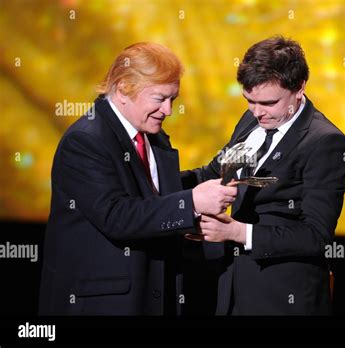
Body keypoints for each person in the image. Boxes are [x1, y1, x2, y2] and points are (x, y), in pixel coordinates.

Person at [38, 42, 237, 315]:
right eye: (159, 99)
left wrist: (212, 175)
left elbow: (153, 191)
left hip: (152, 297)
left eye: (173, 100)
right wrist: (191, 203)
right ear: (123, 90)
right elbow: (117, 215)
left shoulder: (150, 134)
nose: (168, 110)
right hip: (102, 306)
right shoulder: (86, 140)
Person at [182, 36, 345, 315]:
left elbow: (316, 236)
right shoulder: (251, 121)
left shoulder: (326, 144)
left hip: (283, 299)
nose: (257, 112)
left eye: (269, 102)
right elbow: (213, 173)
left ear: (299, 88)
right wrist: (151, 179)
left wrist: (237, 232)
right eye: (249, 101)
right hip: (232, 292)